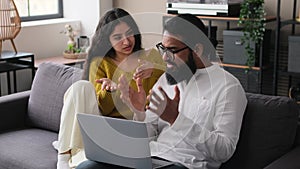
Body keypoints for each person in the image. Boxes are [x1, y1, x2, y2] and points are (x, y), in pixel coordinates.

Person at [77, 14, 247, 169]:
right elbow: (149, 133)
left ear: (198, 50)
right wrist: (139, 112)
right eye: (163, 49)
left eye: (172, 50)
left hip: (185, 164)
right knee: (87, 167)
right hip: (150, 157)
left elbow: (224, 151)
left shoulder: (228, 87)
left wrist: (176, 119)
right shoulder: (167, 79)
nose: (164, 57)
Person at [54, 8, 165, 169]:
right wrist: (111, 91)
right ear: (107, 40)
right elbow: (103, 110)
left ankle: (76, 147)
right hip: (105, 125)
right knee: (80, 87)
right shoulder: (100, 63)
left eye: (129, 33)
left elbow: (173, 85)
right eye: (118, 37)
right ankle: (63, 157)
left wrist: (154, 71)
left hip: (138, 126)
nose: (126, 42)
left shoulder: (151, 57)